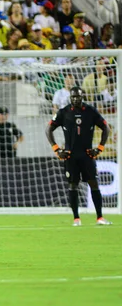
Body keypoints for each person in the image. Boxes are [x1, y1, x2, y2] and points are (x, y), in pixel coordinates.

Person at [46, 86, 113, 226]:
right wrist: (56, 149)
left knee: (94, 184)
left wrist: (100, 147)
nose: (75, 99)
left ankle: (99, 217)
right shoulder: (63, 112)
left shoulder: (90, 111)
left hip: (87, 155)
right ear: (70, 98)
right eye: (73, 97)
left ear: (82, 97)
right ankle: (76, 218)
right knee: (73, 185)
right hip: (70, 156)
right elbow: (48, 129)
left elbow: (105, 128)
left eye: (78, 96)